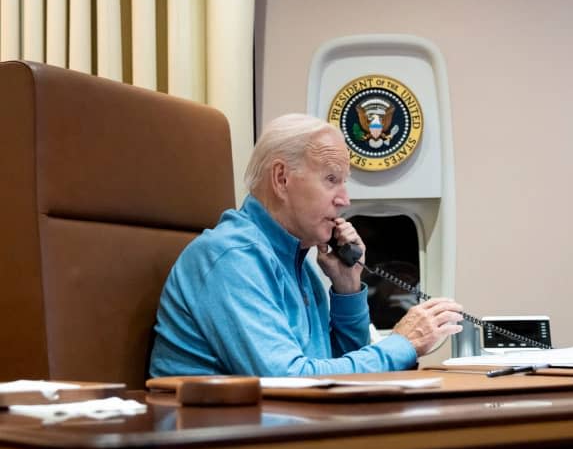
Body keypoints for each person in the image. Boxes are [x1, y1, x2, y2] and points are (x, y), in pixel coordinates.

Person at [149, 113, 463, 377]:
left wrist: (347, 289)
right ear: (282, 178)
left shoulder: (300, 263)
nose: (345, 199)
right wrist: (402, 343)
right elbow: (289, 380)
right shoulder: (231, 257)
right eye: (331, 179)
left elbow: (342, 372)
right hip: (216, 442)